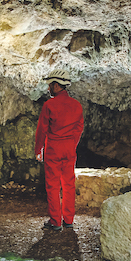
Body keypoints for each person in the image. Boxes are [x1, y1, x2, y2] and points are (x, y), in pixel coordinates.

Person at [34, 68, 84, 231]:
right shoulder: (76, 105)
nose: (48, 89)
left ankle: (55, 221)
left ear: (56, 85)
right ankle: (68, 219)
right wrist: (71, 143)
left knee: (53, 185)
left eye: (50, 85)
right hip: (69, 149)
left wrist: (38, 149)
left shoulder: (50, 105)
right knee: (69, 185)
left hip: (53, 149)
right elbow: (79, 128)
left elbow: (42, 129)